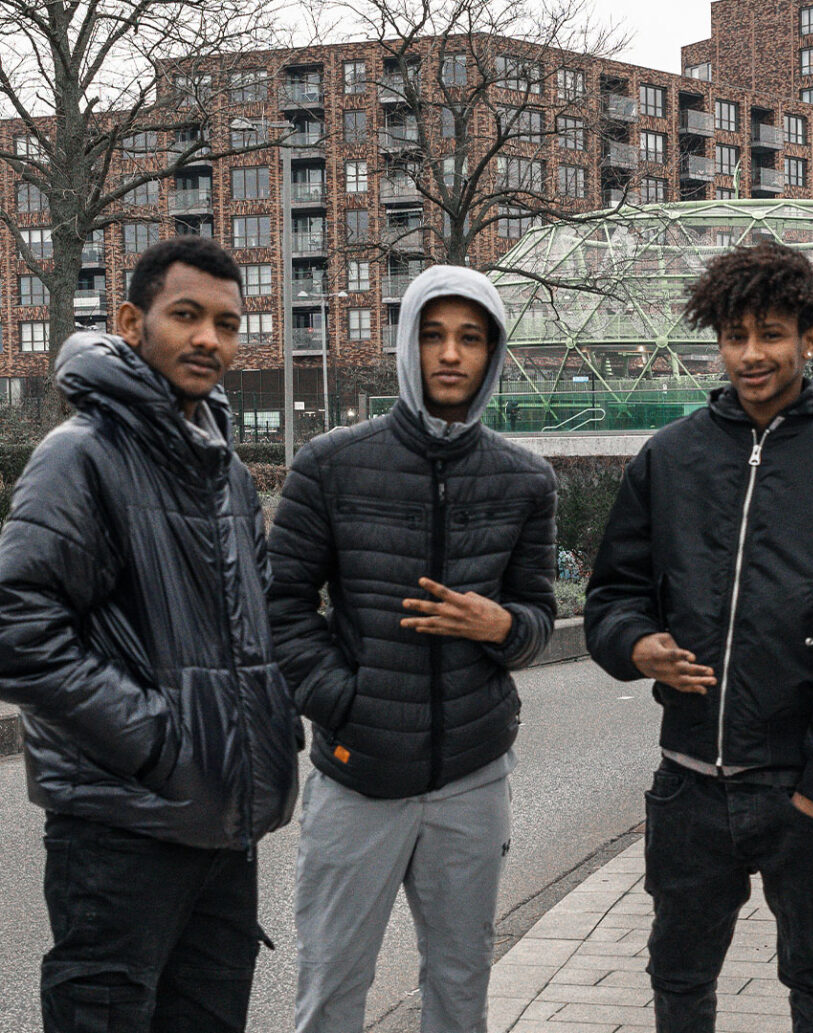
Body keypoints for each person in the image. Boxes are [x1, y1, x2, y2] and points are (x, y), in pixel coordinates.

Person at [585, 241, 813, 1033]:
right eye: (735, 335)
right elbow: (612, 597)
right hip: (688, 783)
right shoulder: (670, 458)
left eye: (770, 333)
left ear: (810, 337)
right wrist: (635, 644)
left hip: (800, 787)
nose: (752, 354)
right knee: (679, 979)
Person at [0, 236, 300, 1033]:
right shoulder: (80, 456)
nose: (210, 338)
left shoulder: (227, 472)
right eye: (188, 315)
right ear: (133, 322)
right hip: (121, 830)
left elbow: (255, 626)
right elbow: (17, 624)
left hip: (222, 830)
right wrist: (157, 743)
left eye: (228, 323)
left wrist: (269, 726)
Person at [267, 265, 557, 1033]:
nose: (451, 354)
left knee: (460, 988)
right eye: (433, 335)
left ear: (493, 352)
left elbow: (537, 611)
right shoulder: (330, 464)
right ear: (408, 345)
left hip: (471, 775)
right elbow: (279, 608)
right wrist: (346, 704)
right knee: (332, 986)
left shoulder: (526, 478)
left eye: (470, 337)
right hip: (356, 778)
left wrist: (502, 628)